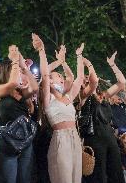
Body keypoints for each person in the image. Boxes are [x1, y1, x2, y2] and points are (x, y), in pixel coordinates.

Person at [33, 33, 84, 183]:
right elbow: (45, 73)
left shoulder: (68, 97)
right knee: (64, 178)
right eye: (58, 77)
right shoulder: (48, 98)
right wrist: (42, 51)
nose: (61, 79)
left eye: (62, 78)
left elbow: (79, 78)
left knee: (76, 178)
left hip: (75, 137)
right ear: (49, 82)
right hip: (60, 140)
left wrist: (78, 56)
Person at [0, 45, 38, 183]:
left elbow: (34, 87)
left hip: (25, 140)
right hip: (6, 142)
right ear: (6, 73)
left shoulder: (20, 92)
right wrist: (15, 61)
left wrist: (23, 66)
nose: (20, 75)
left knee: (25, 179)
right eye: (16, 71)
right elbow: (13, 82)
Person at [79, 51, 126, 183]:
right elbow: (93, 81)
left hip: (109, 137)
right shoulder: (82, 97)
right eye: (84, 79)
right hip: (94, 139)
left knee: (116, 172)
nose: (87, 78)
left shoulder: (103, 96)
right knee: (99, 176)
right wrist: (88, 64)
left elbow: (122, 82)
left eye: (88, 77)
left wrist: (112, 64)